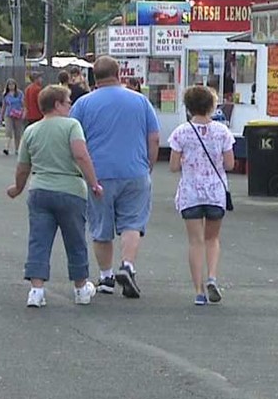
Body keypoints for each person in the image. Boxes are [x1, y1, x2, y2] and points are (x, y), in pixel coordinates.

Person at [70, 56, 160, 299]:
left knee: (101, 226)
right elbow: (154, 138)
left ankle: (106, 276)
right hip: (135, 171)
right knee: (132, 223)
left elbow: (74, 140)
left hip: (98, 173)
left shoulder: (82, 104)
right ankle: (128, 265)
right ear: (119, 73)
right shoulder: (140, 101)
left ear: (94, 77)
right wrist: (148, 165)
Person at [7, 85, 104, 308]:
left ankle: (36, 290)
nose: (70, 105)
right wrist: (94, 184)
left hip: (40, 188)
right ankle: (81, 288)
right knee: (75, 239)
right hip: (70, 188)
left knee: (39, 239)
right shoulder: (72, 126)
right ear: (58, 104)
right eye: (68, 102)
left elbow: (23, 167)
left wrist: (17, 188)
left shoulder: (32, 130)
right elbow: (81, 155)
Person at [168, 85, 235, 306]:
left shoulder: (180, 133)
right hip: (215, 192)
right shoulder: (223, 132)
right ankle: (212, 277)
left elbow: (174, 166)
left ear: (188, 106)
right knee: (212, 239)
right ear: (211, 106)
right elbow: (230, 164)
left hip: (191, 193)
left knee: (195, 241)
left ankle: (198, 291)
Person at [1, 79, 25, 156]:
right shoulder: (6, 94)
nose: (11, 86)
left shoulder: (20, 93)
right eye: (9, 85)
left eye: (13, 84)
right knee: (8, 131)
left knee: (18, 133)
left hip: (18, 115)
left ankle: (17, 149)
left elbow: (23, 104)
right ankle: (6, 148)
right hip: (9, 114)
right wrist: (1, 117)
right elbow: (4, 106)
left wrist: (24, 112)